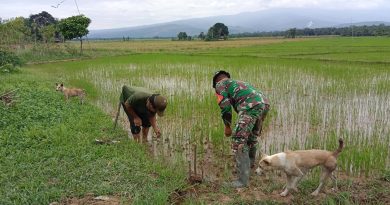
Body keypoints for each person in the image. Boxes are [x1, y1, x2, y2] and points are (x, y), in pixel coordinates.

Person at [213, 70, 270, 188]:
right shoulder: (237, 82)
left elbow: (225, 106)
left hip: (250, 105)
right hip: (264, 103)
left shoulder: (220, 85)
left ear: (216, 81)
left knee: (238, 140)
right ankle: (249, 165)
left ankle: (242, 180)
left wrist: (227, 126)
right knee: (251, 138)